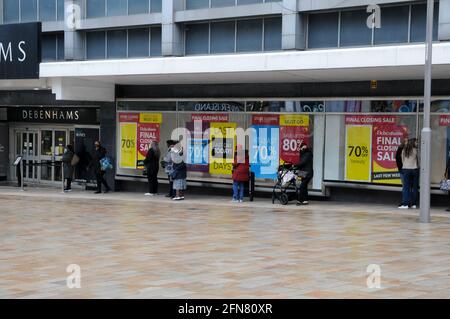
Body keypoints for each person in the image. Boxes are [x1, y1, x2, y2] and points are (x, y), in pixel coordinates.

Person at [399, 138, 419, 209]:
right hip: (415, 169)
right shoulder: (416, 151)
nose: (417, 143)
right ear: (413, 143)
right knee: (414, 188)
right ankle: (413, 204)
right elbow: (418, 159)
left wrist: (405, 164)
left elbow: (402, 159)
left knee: (406, 188)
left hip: (406, 169)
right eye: (416, 142)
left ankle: (405, 204)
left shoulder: (404, 150)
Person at [396, 138, 408, 205]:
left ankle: (405, 202)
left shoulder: (407, 149)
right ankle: (405, 202)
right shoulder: (401, 149)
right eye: (406, 141)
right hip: (404, 170)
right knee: (405, 187)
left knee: (406, 187)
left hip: (405, 169)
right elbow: (397, 159)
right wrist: (400, 168)